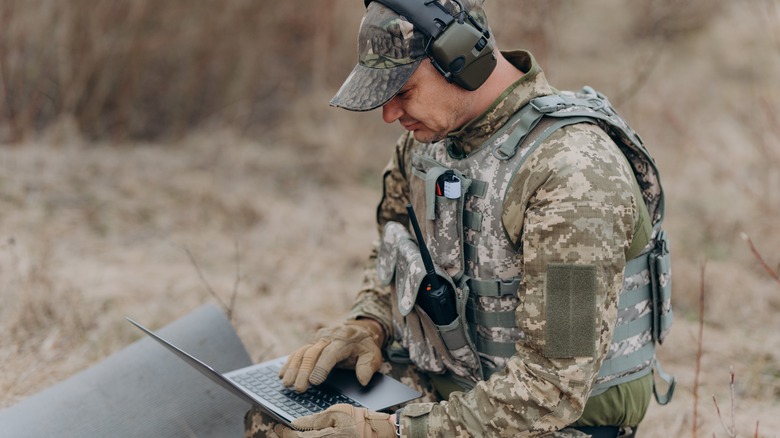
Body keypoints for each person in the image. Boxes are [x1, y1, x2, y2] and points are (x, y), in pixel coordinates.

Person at [246, 0, 673, 437]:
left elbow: (552, 390)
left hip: (553, 423)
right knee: (277, 423)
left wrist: (391, 431)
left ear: (460, 59)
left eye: (403, 91)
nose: (389, 115)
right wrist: (369, 322)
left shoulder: (572, 173)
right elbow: (396, 247)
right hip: (448, 392)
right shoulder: (428, 144)